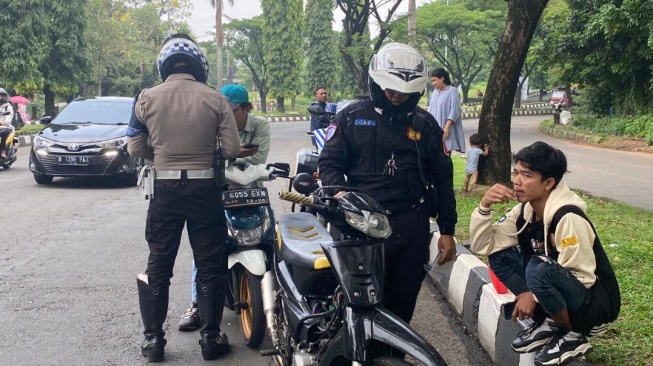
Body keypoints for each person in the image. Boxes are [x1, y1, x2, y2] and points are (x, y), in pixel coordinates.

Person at [319, 42, 458, 331]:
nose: (396, 97)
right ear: (376, 83)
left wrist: (447, 230)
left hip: (410, 223)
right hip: (358, 222)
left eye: (404, 93)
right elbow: (329, 164)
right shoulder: (350, 117)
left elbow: (443, 177)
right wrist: (339, 192)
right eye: (391, 90)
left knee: (403, 298)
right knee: (356, 298)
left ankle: (392, 354)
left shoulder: (426, 125)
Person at [127, 34, 241, 362]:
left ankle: (153, 342)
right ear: (199, 66)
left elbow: (135, 147)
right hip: (205, 191)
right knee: (209, 264)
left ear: (164, 65)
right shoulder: (216, 99)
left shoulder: (146, 97)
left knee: (159, 263)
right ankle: (209, 339)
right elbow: (232, 149)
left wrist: (161, 155)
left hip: (165, 192)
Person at [469, 141, 620, 366]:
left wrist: (533, 295)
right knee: (500, 257)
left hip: (592, 308)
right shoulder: (525, 211)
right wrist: (484, 207)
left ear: (549, 182)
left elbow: (584, 277)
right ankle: (549, 323)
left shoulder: (568, 217)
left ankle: (571, 335)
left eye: (527, 175)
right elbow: (484, 246)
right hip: (557, 288)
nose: (517, 181)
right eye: (516, 173)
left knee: (539, 267)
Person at [178, 83, 271, 332]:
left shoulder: (260, 125)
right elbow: (207, 156)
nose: (227, 114)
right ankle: (197, 303)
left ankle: (280, 292)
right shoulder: (213, 125)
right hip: (218, 193)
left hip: (252, 193)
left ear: (245, 108)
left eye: (232, 110)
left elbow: (258, 158)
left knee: (272, 238)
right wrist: (233, 153)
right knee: (207, 247)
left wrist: (226, 155)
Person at [428, 68, 466, 153]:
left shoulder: (453, 91)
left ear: (442, 78)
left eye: (435, 80)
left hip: (444, 128)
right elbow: (430, 109)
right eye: (432, 81)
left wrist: (446, 128)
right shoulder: (435, 92)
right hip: (433, 129)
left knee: (444, 154)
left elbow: (454, 111)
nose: (433, 83)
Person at [0, 88, 15, 158]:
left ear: (4, 96)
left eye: (0, 96)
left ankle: (3, 151)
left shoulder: (8, 107)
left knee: (3, 132)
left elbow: (7, 120)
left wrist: (3, 122)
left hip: (5, 127)